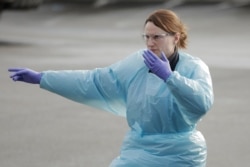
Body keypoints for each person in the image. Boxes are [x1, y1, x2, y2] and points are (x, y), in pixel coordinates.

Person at [8, 9, 214, 167]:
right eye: (147, 37)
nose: (150, 43)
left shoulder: (194, 67)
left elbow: (201, 104)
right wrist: (43, 78)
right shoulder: (138, 64)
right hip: (139, 149)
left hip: (180, 154)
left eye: (157, 37)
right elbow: (95, 81)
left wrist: (169, 77)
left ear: (175, 37)